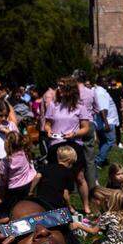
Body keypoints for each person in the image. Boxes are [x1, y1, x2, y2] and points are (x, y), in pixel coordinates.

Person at [42, 77, 93, 213]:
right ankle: (65, 207)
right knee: (59, 178)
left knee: (79, 176)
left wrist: (74, 133)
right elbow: (47, 124)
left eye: (62, 86)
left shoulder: (80, 107)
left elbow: (85, 128)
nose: (58, 89)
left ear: (70, 89)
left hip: (73, 144)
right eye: (58, 86)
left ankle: (86, 206)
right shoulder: (53, 105)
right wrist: (48, 130)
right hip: (56, 144)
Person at [34, 144, 79, 211]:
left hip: (40, 200)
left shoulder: (47, 167)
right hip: (55, 204)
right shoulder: (69, 173)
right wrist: (70, 207)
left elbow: (37, 176)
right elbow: (65, 195)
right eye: (73, 163)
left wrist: (31, 192)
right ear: (69, 161)